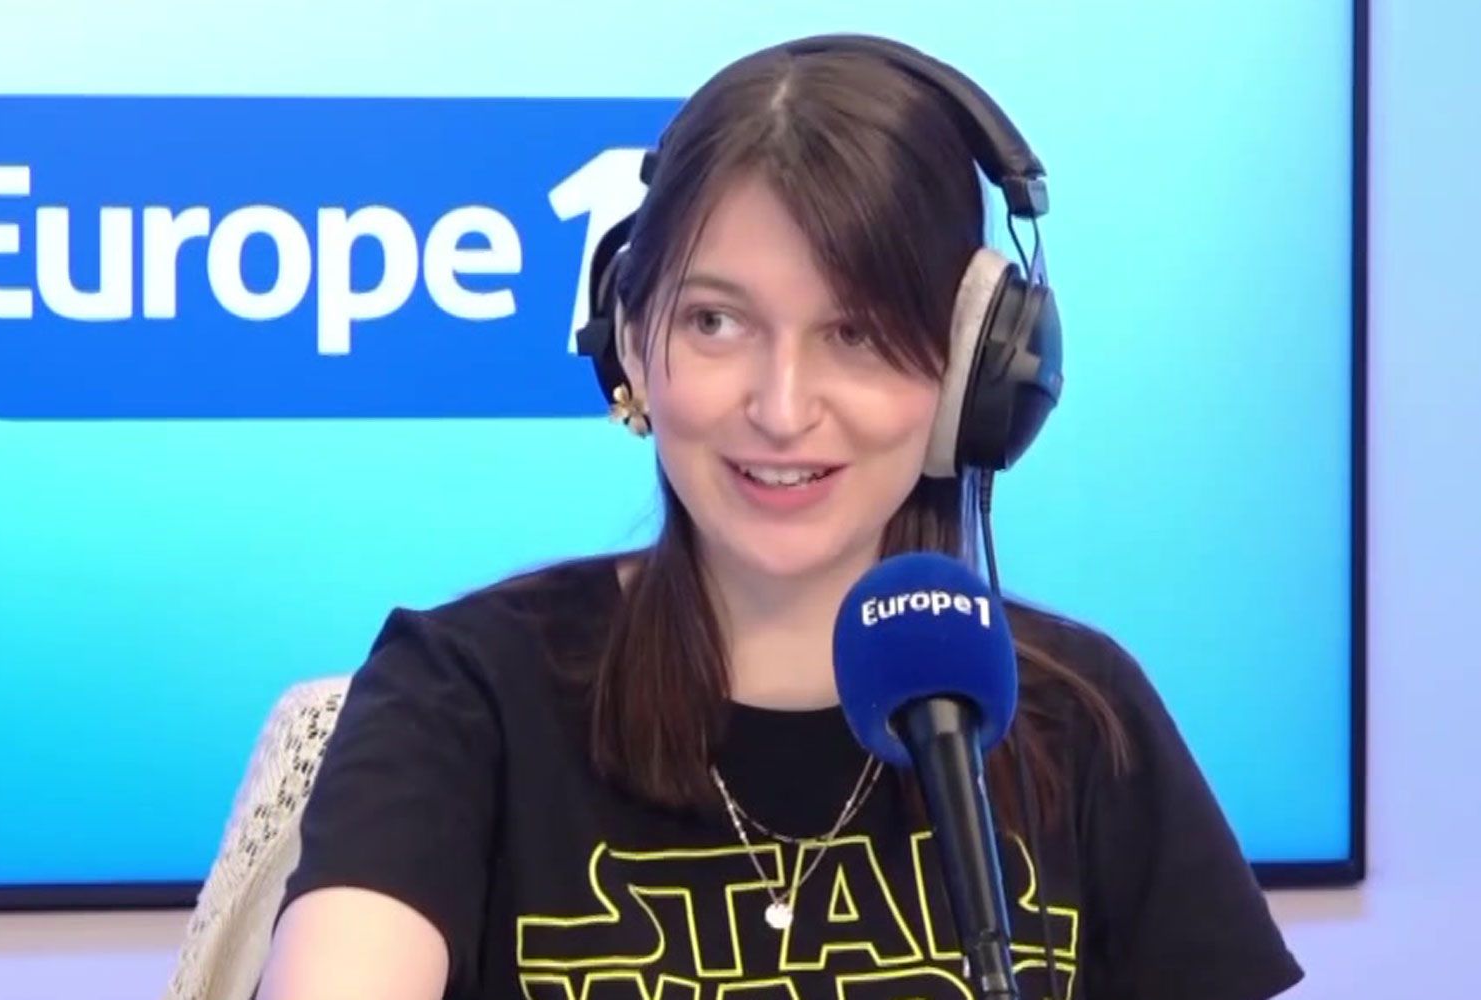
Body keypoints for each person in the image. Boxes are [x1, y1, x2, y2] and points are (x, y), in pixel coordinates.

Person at [256, 33, 1303, 1000]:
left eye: (856, 334)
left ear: (969, 377)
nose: (782, 408)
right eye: (716, 322)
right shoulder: (463, 693)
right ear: (631, 346)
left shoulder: (1081, 720)